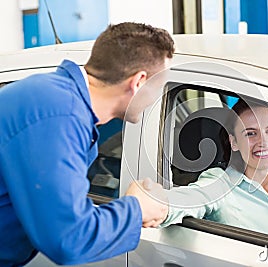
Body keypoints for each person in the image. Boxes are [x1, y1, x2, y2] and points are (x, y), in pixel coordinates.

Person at [0, 22, 173, 266]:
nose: (157, 99)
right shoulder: (60, 115)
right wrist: (137, 209)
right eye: (159, 87)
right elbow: (69, 239)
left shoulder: (57, 99)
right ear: (139, 82)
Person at [159, 98, 268, 247]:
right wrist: (151, 203)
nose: (264, 141)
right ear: (234, 142)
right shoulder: (219, 182)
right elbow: (184, 201)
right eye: (251, 133)